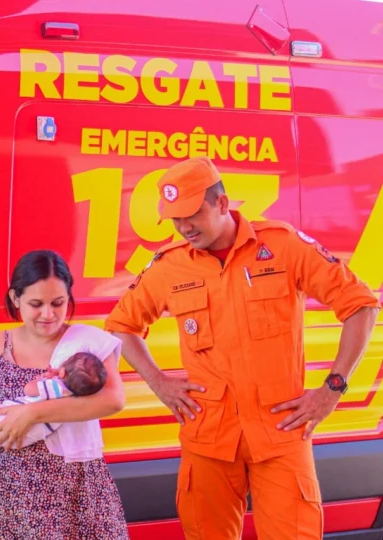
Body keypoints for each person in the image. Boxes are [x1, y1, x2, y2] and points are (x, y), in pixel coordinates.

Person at [103, 156, 381, 539]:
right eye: (175, 219)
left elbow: (361, 305)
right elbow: (120, 326)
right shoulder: (169, 266)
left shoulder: (282, 246)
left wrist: (333, 388)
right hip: (208, 437)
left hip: (281, 431)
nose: (184, 227)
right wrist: (158, 382)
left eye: (192, 214)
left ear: (221, 203)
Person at [0, 250, 129, 539]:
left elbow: (114, 400)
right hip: (4, 499)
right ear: (16, 299)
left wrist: (33, 413)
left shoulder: (87, 343)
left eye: (58, 303)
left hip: (73, 496)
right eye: (36, 304)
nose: (48, 314)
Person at [0, 350, 108, 461]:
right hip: (32, 435)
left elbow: (29, 389)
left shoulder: (54, 386)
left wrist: (40, 379)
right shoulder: (74, 397)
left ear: (62, 372)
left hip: (13, 419)